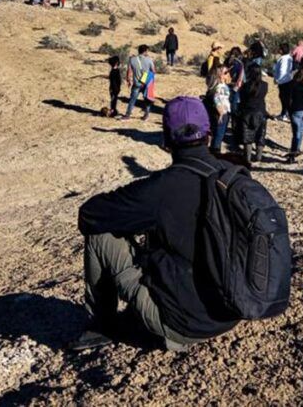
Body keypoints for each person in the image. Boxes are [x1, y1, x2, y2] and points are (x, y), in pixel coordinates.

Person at [71, 97, 241, 352]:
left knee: (101, 235)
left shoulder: (161, 189)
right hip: (232, 311)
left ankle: (102, 326)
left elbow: (90, 215)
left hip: (185, 325)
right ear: (208, 133)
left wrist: (132, 222)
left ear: (166, 140)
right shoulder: (235, 176)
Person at [239, 63, 269, 164]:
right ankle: (258, 156)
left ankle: (247, 158)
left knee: (248, 136)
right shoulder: (265, 85)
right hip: (260, 112)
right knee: (260, 135)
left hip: (247, 112)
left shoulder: (245, 86)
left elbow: (242, 99)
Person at [122, 45, 155, 120]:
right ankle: (146, 115)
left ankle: (127, 115)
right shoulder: (149, 60)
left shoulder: (132, 59)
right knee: (147, 100)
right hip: (145, 83)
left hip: (136, 83)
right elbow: (153, 71)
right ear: (145, 51)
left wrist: (128, 80)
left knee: (132, 100)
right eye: (147, 51)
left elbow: (129, 71)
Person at [205, 63, 232, 154]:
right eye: (226, 72)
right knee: (218, 135)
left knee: (217, 135)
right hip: (221, 113)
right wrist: (220, 112)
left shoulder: (221, 85)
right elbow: (216, 99)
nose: (228, 73)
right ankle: (215, 153)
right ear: (219, 75)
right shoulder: (220, 87)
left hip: (222, 112)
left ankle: (214, 151)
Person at [272, 43, 295, 122]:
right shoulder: (289, 57)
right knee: (284, 98)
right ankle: (284, 113)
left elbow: (282, 71)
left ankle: (285, 114)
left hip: (284, 82)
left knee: (285, 98)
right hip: (287, 80)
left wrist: (278, 80)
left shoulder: (284, 59)